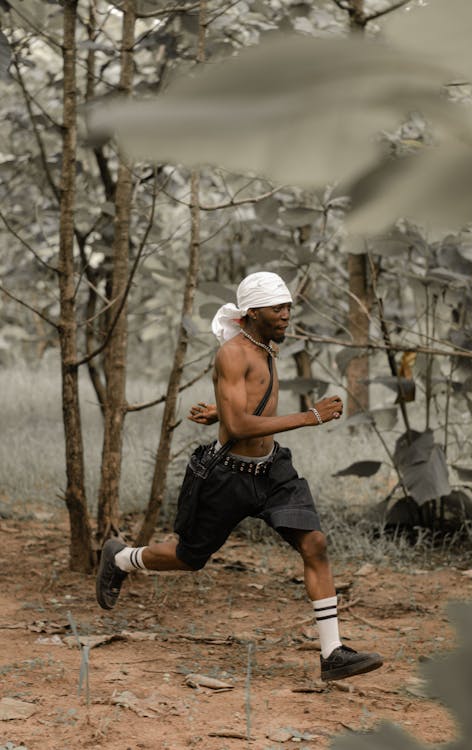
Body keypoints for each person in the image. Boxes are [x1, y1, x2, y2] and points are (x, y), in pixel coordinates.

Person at [96, 271, 383, 682]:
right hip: (227, 476)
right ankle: (121, 558)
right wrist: (309, 416)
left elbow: (247, 407)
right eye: (277, 309)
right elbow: (239, 427)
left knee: (314, 544)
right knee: (187, 558)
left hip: (272, 471)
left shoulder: (265, 345)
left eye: (288, 307)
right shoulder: (233, 352)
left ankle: (332, 653)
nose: (286, 315)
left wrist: (221, 412)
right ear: (252, 312)